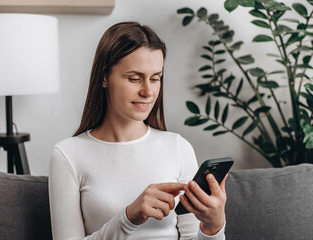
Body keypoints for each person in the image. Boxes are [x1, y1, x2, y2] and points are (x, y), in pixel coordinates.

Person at [49, 21, 227, 240]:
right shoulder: (68, 155)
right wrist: (128, 218)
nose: (148, 91)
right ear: (104, 77)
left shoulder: (178, 147)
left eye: (156, 78)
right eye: (134, 78)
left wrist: (214, 227)